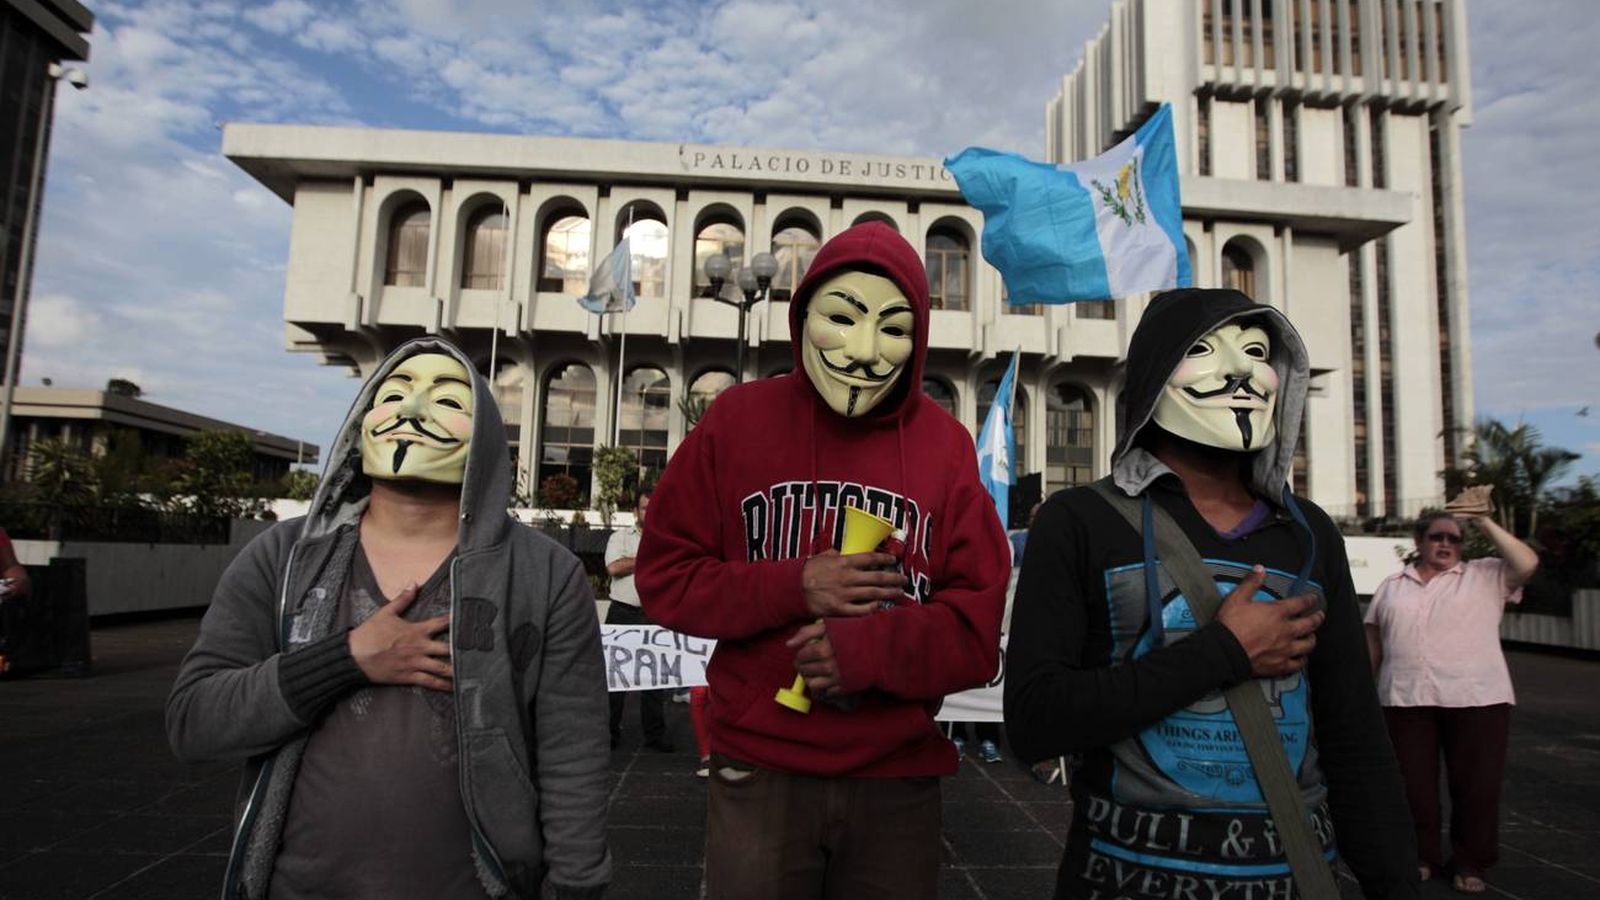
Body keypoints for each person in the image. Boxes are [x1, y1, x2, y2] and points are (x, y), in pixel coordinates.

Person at [635, 222, 1011, 899]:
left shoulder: (947, 448)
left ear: (919, 337)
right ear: (802, 313)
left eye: (893, 328)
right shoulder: (736, 421)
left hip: (897, 779)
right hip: (761, 768)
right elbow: (664, 578)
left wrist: (872, 653)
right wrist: (793, 584)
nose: (866, 353)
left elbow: (977, 632)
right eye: (842, 318)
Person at [1006, 288, 1418, 899]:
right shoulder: (1080, 521)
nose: (1239, 369)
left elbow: (1354, 734)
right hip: (1121, 881)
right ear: (1152, 374)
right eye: (1202, 349)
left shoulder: (1309, 534)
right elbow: (1037, 721)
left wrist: (1395, 884)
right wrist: (1224, 650)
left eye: (1256, 350)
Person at [166, 340, 611, 900]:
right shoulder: (280, 557)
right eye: (393, 394)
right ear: (361, 421)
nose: (411, 410)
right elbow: (194, 722)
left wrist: (576, 887)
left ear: (488, 436)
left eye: (446, 399)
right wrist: (346, 658)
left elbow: (573, 752)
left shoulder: (546, 574)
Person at [1364, 491, 1538, 895]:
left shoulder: (1487, 574)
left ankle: (1471, 861)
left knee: (1477, 787)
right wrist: (1362, 693)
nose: (1445, 544)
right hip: (1405, 699)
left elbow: (1528, 562)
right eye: (1437, 537)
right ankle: (1422, 855)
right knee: (1412, 786)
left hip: (1478, 699)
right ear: (1419, 542)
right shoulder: (1392, 586)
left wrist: (1481, 521)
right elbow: (1373, 643)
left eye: (1454, 539)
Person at [605, 489, 672, 752]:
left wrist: (637, 561)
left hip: (654, 614)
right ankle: (609, 733)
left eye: (653, 508)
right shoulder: (620, 537)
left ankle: (654, 736)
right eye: (644, 508)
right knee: (615, 678)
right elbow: (613, 567)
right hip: (622, 613)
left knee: (656, 679)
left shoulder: (667, 540)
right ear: (635, 511)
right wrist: (650, 559)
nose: (649, 512)